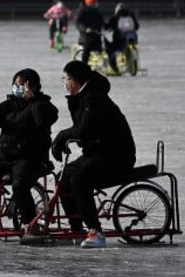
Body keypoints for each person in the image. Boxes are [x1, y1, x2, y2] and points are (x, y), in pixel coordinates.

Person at [51, 60, 136, 249]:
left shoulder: (93, 99)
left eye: (65, 79)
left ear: (74, 81)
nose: (64, 83)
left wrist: (61, 137)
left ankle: (95, 231)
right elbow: (82, 130)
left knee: (79, 179)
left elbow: (84, 130)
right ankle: (76, 228)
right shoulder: (84, 97)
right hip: (98, 153)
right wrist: (63, 140)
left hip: (116, 157)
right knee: (64, 176)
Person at [0, 68, 59, 231]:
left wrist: (33, 102)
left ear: (34, 87)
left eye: (21, 85)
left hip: (30, 158)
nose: (17, 88)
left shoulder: (44, 105)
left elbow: (43, 122)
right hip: (4, 158)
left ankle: (30, 224)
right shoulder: (10, 105)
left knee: (19, 185)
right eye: (15, 85)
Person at [73, 0, 109, 71]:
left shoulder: (97, 11)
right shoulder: (81, 10)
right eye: (91, 3)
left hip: (96, 34)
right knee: (87, 48)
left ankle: (109, 65)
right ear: (87, 2)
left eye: (94, 2)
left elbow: (102, 22)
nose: (93, 4)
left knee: (104, 48)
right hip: (85, 36)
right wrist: (85, 29)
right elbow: (77, 22)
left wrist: (108, 27)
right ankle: (83, 67)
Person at [105, 3, 140, 70]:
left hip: (120, 40)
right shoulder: (131, 16)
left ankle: (114, 67)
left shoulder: (116, 17)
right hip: (133, 38)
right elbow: (137, 26)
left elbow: (108, 27)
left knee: (111, 50)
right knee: (129, 48)